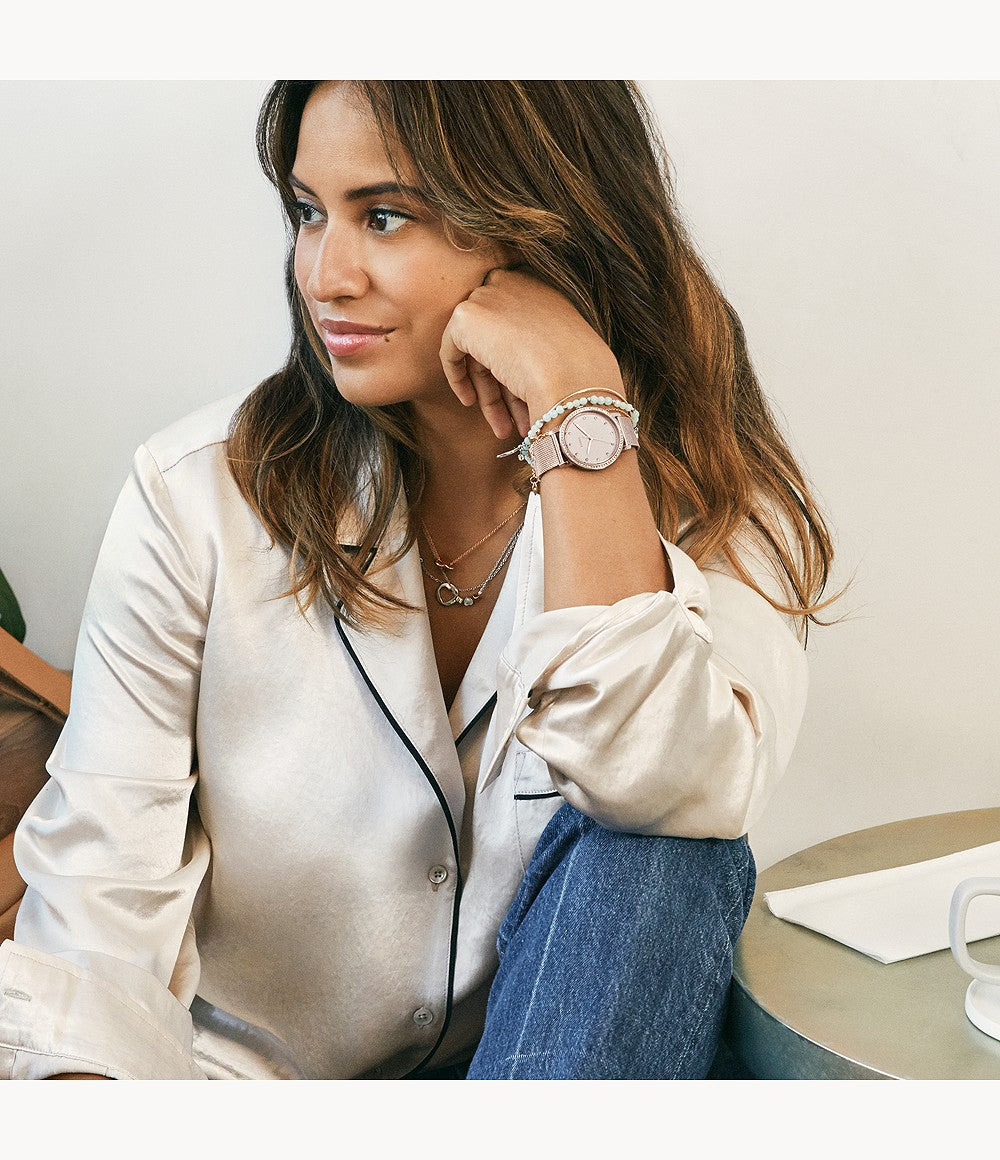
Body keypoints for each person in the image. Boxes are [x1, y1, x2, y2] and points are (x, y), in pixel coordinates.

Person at [0, 80, 835, 1080]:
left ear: (538, 225)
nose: (324, 273)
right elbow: (95, 918)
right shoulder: (197, 500)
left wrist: (582, 424)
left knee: (665, 838)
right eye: (310, 212)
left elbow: (662, 784)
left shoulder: (715, 503)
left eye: (384, 216)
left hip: (559, 1065)